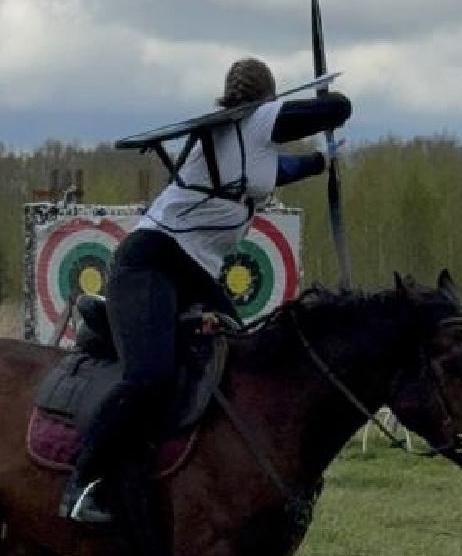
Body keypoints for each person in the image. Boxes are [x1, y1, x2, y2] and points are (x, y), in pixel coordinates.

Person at [60, 57, 352, 528]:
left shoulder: (244, 147)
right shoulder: (253, 122)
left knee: (244, 353)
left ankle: (210, 471)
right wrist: (328, 105)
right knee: (149, 375)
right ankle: (83, 480)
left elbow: (283, 168)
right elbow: (340, 107)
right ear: (268, 98)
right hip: (151, 261)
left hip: (193, 272)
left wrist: (323, 162)